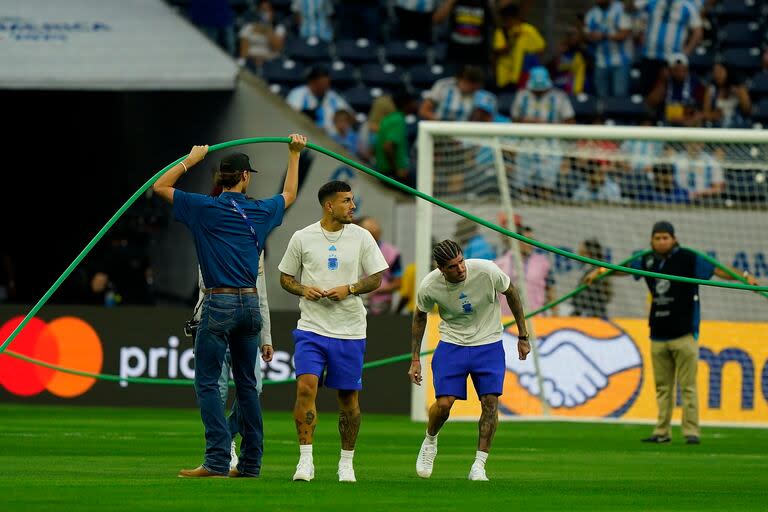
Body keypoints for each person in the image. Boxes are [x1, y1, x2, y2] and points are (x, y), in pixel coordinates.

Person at [153, 133, 307, 478]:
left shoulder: (204, 207)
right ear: (246, 177)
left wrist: (191, 159)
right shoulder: (261, 210)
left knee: (208, 384)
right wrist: (294, 154)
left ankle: (218, 460)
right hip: (250, 304)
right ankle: (250, 464)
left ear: (221, 178)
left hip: (218, 301)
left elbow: (160, 187)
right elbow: (291, 194)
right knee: (248, 385)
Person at [585, 221, 759, 444]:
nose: (661, 242)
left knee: (688, 387)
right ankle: (661, 431)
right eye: (657, 238)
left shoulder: (688, 257)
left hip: (684, 333)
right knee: (663, 388)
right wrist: (599, 272)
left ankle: (691, 432)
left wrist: (744, 276)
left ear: (674, 239)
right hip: (658, 332)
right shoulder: (646, 259)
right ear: (651, 240)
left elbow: (718, 269)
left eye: (665, 238)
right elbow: (622, 268)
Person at [278, 180, 389, 483]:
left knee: (348, 400)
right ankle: (305, 461)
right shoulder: (303, 237)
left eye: (352, 201)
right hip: (311, 328)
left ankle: (346, 462)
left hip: (350, 329)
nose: (353, 206)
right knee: (305, 387)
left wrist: (350, 288)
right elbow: (285, 277)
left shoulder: (362, 237)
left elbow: (377, 278)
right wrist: (304, 289)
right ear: (329, 206)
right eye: (347, 201)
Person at [408, 239, 530, 481]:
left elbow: (512, 293)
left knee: (490, 402)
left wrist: (523, 335)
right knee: (443, 405)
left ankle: (479, 465)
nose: (461, 268)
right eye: (453, 266)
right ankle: (430, 440)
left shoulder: (487, 270)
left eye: (461, 262)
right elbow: (420, 317)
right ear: (442, 269)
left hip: (489, 343)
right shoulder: (429, 285)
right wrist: (414, 359)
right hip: (452, 343)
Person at [635, 0, 703, 96]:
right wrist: (640, 34)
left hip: (672, 60)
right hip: (649, 56)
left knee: (669, 93)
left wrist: (686, 52)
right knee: (646, 93)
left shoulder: (687, 6)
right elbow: (639, 16)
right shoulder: (652, 2)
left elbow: (698, 31)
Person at [495, 225, 557, 316]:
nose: (531, 244)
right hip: (507, 318)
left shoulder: (543, 263)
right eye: (528, 240)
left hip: (536, 318)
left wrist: (555, 314)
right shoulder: (500, 263)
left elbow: (551, 290)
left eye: (533, 240)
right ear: (517, 241)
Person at [584, 0, 633, 97]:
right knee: (601, 98)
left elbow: (625, 33)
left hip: (621, 61)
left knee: (619, 97)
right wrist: (591, 36)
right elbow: (586, 33)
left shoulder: (620, 9)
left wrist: (604, 36)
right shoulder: (592, 13)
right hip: (600, 61)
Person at [287, 65, 353, 136]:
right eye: (322, 83)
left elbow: (350, 116)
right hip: (304, 135)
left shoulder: (332, 96)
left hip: (331, 139)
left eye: (327, 83)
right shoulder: (298, 94)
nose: (325, 86)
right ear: (312, 82)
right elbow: (290, 117)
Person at [493, 4, 546, 90]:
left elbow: (541, 48)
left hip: (524, 75)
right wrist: (512, 41)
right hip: (504, 77)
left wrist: (528, 61)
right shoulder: (501, 32)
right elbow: (498, 51)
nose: (504, 23)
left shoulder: (528, 30)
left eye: (506, 20)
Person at [433, 0, 497, 70]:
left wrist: (492, 4)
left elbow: (497, 24)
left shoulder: (485, 2)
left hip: (478, 54)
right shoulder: (454, 2)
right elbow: (436, 20)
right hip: (455, 53)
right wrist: (450, 2)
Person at [358, 216, 403, 315]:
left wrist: (376, 290)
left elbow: (398, 283)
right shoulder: (352, 250)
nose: (374, 232)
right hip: (355, 301)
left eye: (376, 229)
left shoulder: (392, 253)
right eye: (369, 231)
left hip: (381, 304)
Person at [375, 88, 419, 185]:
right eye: (413, 102)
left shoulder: (388, 118)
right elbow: (388, 146)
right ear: (407, 104)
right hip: (391, 173)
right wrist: (397, 169)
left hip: (383, 170)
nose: (415, 104)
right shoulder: (398, 120)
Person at [647, 53, 704, 127]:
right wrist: (663, 80)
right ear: (670, 70)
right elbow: (650, 102)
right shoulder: (665, 82)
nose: (680, 71)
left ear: (687, 68)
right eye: (676, 69)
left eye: (682, 68)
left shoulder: (695, 83)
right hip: (667, 121)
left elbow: (701, 109)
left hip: (688, 120)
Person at [419, 65, 487, 121]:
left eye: (474, 85)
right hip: (440, 128)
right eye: (468, 82)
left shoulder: (481, 95)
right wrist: (441, 122)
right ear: (459, 79)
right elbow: (424, 111)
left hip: (465, 132)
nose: (470, 87)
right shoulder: (443, 85)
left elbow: (483, 121)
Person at [237, 1, 286, 67]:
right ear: (258, 12)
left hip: (271, 61)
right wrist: (252, 60)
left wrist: (268, 30)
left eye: (267, 10)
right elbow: (244, 50)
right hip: (251, 60)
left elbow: (276, 48)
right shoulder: (248, 27)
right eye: (262, 10)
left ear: (272, 12)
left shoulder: (279, 28)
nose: (264, 13)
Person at [702, 63, 751, 129]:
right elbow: (705, 113)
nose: (717, 75)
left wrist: (740, 95)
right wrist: (713, 115)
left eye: (720, 72)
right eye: (715, 72)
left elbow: (747, 110)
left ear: (728, 72)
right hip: (717, 124)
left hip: (737, 124)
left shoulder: (740, 88)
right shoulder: (711, 89)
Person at [571, 238, 612, 318]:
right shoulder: (588, 269)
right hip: (587, 314)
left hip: (594, 316)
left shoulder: (599, 269)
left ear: (587, 251)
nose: (579, 252)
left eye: (581, 250)